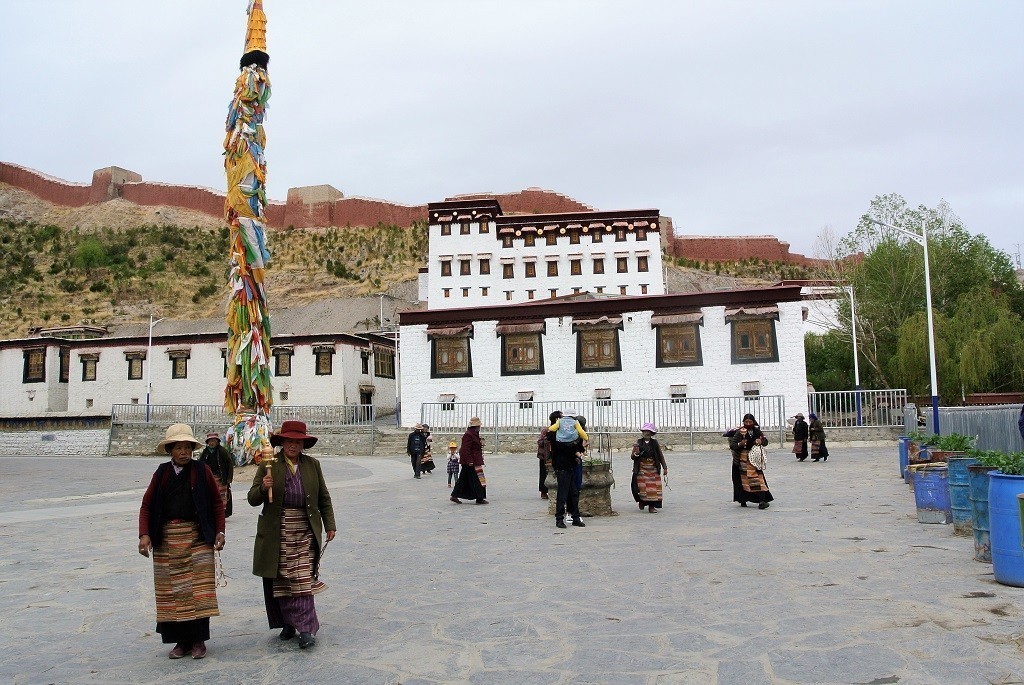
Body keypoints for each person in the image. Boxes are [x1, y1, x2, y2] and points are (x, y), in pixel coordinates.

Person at [138, 423, 226, 660]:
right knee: (173, 593)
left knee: (199, 591)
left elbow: (217, 503)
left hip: (197, 538)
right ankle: (180, 642)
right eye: (178, 448)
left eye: (187, 447)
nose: (184, 452)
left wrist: (220, 531)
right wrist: (144, 534)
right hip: (167, 540)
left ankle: (198, 641)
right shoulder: (162, 473)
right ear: (170, 450)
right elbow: (147, 504)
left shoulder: (202, 470)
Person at [248, 420, 336, 650]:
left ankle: (306, 629)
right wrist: (263, 487)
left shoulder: (312, 465)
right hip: (278, 531)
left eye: (297, 442)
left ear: (303, 444)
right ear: (282, 442)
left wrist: (330, 524)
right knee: (283, 579)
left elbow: (323, 497)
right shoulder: (269, 465)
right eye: (289, 441)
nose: (293, 446)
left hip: (305, 529)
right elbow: (252, 498)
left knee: (302, 580)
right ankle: (288, 623)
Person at [548, 411, 587, 529]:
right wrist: (575, 449)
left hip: (572, 465)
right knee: (563, 493)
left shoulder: (573, 434)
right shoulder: (555, 435)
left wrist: (579, 449)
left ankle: (575, 516)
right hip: (562, 465)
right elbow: (561, 447)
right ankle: (559, 519)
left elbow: (579, 446)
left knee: (573, 492)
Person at [728, 413, 774, 510]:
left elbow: (765, 441)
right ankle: (743, 499)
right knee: (743, 479)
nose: (748, 423)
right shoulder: (740, 432)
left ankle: (762, 500)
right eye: (746, 422)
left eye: (750, 422)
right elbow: (732, 445)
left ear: (753, 422)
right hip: (742, 460)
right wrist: (740, 443)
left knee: (758, 479)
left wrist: (761, 442)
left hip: (754, 459)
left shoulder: (757, 431)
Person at [631, 422, 668, 513]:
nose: (646, 433)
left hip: (653, 468)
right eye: (645, 431)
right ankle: (642, 502)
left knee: (654, 488)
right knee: (642, 487)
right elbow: (632, 457)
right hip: (642, 468)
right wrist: (636, 454)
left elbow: (660, 455)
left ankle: (652, 506)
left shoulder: (654, 443)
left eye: (648, 431)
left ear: (651, 433)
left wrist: (665, 467)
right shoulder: (638, 443)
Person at [451, 417, 488, 504]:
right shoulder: (468, 435)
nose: (479, 427)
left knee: (463, 479)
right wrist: (469, 461)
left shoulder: (474, 434)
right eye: (478, 426)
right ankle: (479, 497)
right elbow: (465, 449)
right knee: (478, 479)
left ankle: (454, 495)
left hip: (474, 460)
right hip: (470, 462)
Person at [199, 432, 234, 516]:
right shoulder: (205, 452)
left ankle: (221, 513)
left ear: (217, 442)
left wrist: (229, 479)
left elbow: (229, 464)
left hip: (220, 477)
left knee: (221, 495)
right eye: (210, 441)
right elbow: (200, 464)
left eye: (213, 441)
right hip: (209, 478)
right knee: (209, 495)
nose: (211, 443)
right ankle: (211, 512)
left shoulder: (222, 451)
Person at [536, 425, 551, 500]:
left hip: (552, 455)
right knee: (543, 473)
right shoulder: (546, 430)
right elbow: (540, 442)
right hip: (544, 456)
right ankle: (543, 491)